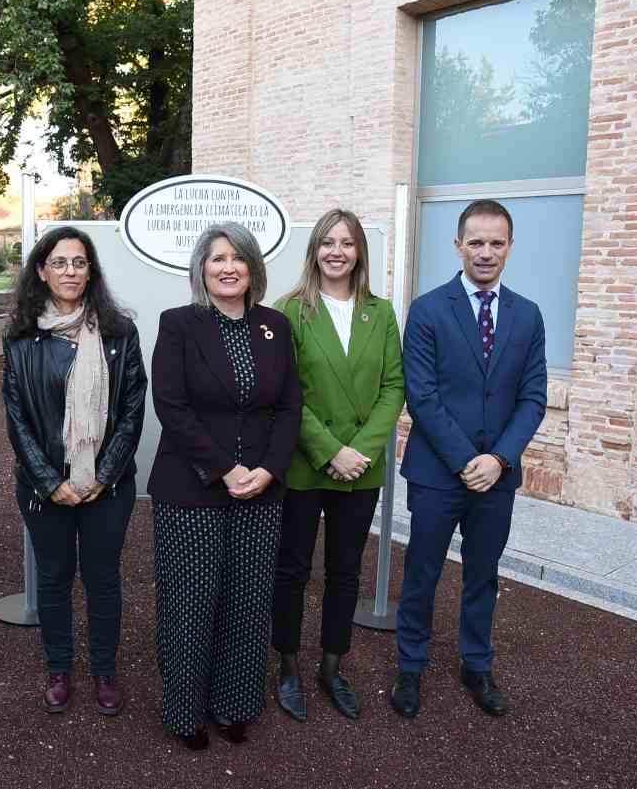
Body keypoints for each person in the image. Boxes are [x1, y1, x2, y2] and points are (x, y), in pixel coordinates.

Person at [148, 223, 303, 750]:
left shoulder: (275, 327)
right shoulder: (179, 325)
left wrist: (268, 469)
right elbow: (171, 405)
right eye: (217, 258)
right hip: (192, 489)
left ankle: (234, 702)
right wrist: (224, 469)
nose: (228, 267)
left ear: (253, 268)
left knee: (248, 600)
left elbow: (289, 407)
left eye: (238, 258)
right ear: (201, 268)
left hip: (260, 491)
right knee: (189, 604)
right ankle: (185, 711)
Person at [391, 199, 547, 719]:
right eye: (475, 242)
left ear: (510, 247)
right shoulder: (430, 309)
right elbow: (423, 395)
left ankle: (476, 663)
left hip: (497, 477)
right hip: (439, 473)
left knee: (484, 574)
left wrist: (499, 459)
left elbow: (533, 397)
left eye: (496, 243)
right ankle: (409, 667)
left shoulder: (528, 314)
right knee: (422, 573)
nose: (485, 252)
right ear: (458, 245)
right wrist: (466, 460)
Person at [2, 227, 147, 716]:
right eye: (60, 263)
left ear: (91, 271)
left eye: (79, 263)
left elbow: (131, 411)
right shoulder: (21, 335)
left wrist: (103, 474)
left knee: (104, 578)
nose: (70, 271)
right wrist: (50, 482)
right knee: (55, 577)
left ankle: (104, 670)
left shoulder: (119, 332)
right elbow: (16, 417)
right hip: (46, 487)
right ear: (42, 270)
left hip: (107, 485)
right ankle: (59, 668)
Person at [271, 209, 404, 723]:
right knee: (293, 569)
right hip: (307, 464)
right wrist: (330, 451)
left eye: (347, 243)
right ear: (314, 251)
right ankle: (287, 666)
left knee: (345, 571)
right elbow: (287, 394)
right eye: (327, 242)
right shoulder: (289, 310)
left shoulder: (382, 313)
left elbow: (394, 387)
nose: (337, 252)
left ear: (359, 253)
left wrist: (359, 450)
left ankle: (331, 665)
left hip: (361, 467)